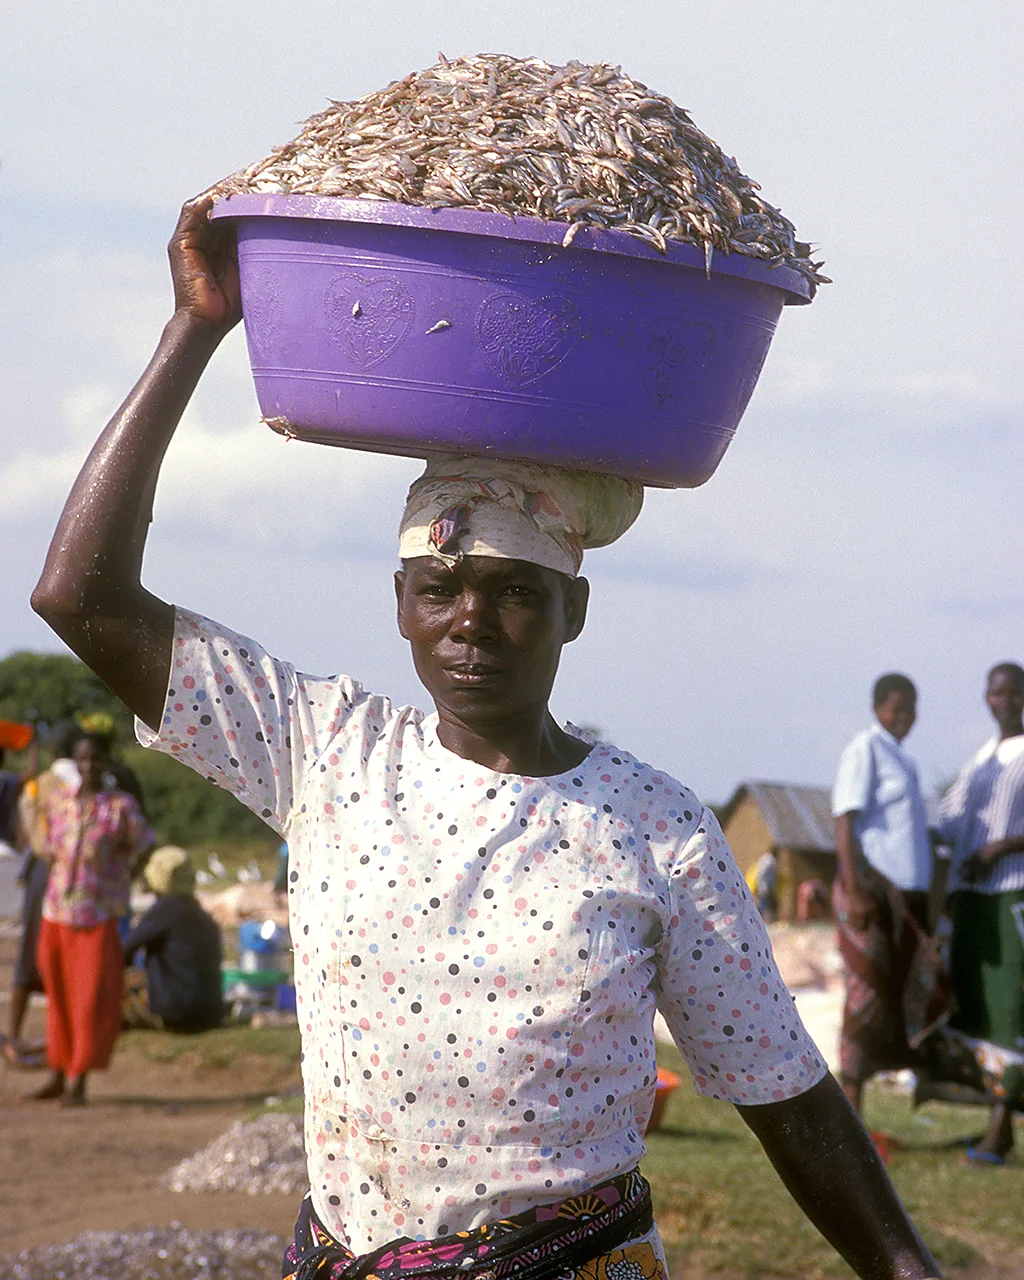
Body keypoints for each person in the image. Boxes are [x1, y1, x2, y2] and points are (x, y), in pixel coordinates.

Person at [29, 194, 943, 1280]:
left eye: (513, 591)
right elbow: (80, 596)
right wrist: (195, 327)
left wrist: (906, 1265)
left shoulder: (657, 829)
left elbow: (785, 1093)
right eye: (439, 588)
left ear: (572, 610)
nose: (469, 620)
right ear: (400, 604)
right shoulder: (326, 753)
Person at [830, 674, 948, 1115]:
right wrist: (855, 890)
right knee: (867, 997)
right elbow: (845, 820)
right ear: (878, 708)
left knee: (904, 998)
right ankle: (850, 1109)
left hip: (906, 900)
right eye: (896, 708)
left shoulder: (905, 762)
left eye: (910, 709)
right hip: (871, 891)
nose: (904, 717)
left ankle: (881, 1108)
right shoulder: (866, 749)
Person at [930, 662, 1024, 1165]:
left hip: (1011, 895)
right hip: (970, 897)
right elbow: (947, 821)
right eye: (995, 692)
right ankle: (995, 1123)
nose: (1003, 701)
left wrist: (1001, 846)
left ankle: (1000, 1127)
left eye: (1012, 692)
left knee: (1008, 1006)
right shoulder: (981, 759)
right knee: (978, 1005)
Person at [28, 731, 154, 1105]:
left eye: (95, 758)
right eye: (82, 758)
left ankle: (78, 1079)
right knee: (57, 995)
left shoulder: (119, 807)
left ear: (106, 761)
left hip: (95, 915)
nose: (89, 766)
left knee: (88, 998)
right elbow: (47, 846)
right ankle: (56, 1071)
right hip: (56, 910)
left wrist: (122, 882)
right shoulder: (58, 801)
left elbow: (144, 844)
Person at [122, 844, 224, 1033]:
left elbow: (123, 953)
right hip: (211, 1013)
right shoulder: (199, 912)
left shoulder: (166, 909)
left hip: (178, 1014)